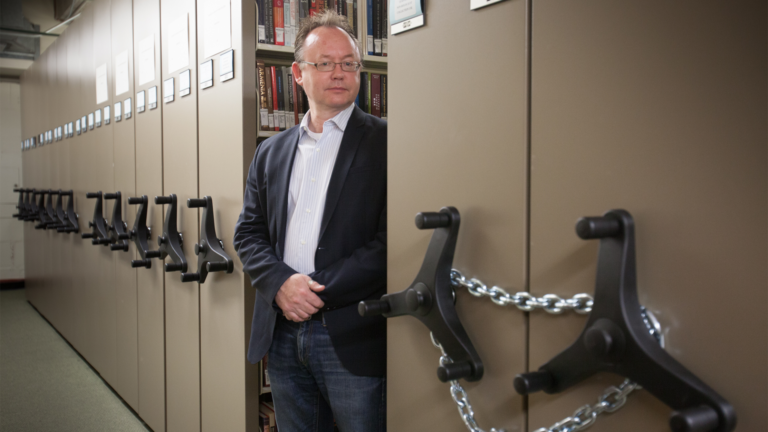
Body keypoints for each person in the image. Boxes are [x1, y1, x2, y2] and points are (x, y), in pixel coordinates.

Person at [233, 10, 386, 432]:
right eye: (325, 63)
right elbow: (248, 232)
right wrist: (281, 284)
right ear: (298, 73)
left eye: (349, 64)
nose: (339, 73)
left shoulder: (389, 141)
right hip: (281, 332)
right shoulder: (271, 151)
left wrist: (313, 290)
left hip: (353, 333)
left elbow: (391, 241)